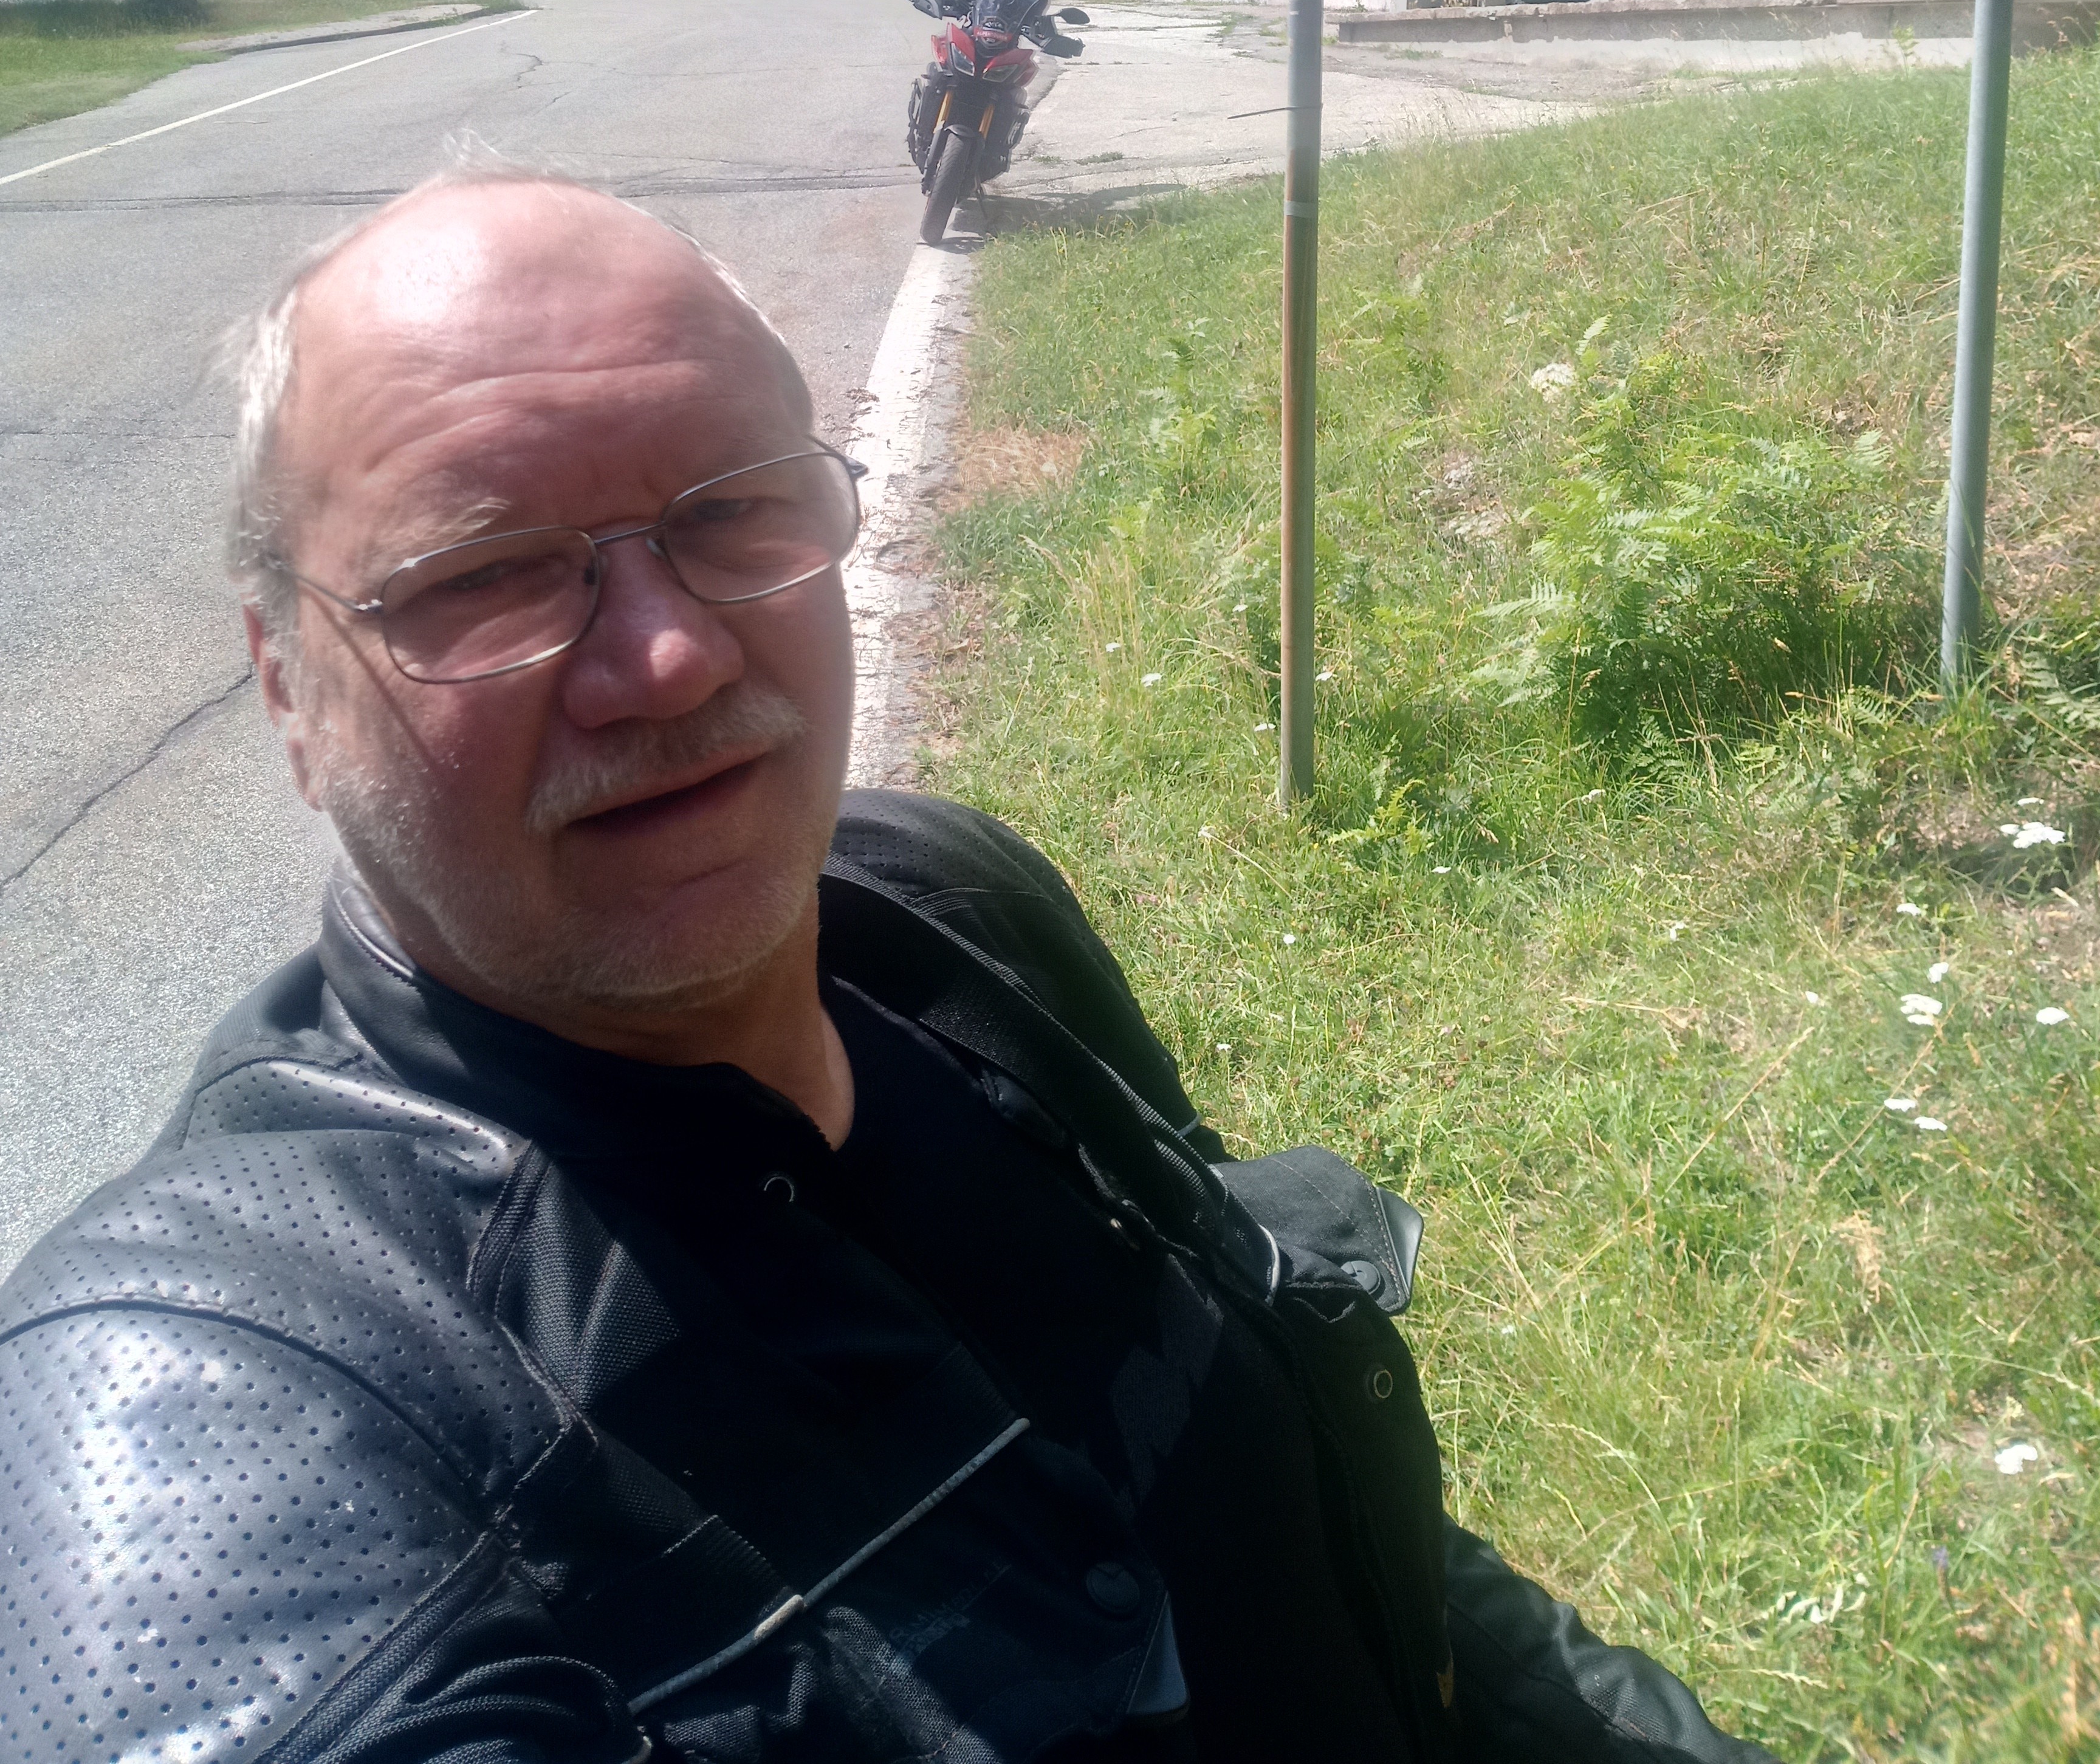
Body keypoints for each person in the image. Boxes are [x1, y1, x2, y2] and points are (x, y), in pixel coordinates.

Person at [0, 168, 1773, 1763]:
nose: (672, 658)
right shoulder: (224, 1378)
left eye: (734, 510)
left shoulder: (944, 914)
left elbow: (1327, 1531)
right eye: (483, 575)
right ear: (288, 685)